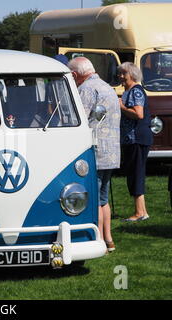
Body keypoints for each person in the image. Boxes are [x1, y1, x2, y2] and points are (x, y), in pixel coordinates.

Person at [68, 57, 121, 252]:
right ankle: (108, 239)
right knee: (103, 199)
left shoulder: (86, 89)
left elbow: (79, 119)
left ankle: (96, 238)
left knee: (93, 199)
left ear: (75, 75)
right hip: (112, 152)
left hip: (96, 151)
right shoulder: (107, 87)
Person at [118, 62, 153, 221]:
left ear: (132, 74)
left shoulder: (136, 91)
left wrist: (121, 107)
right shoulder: (129, 91)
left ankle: (139, 212)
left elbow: (138, 113)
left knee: (136, 173)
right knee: (134, 173)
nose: (120, 76)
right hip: (132, 139)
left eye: (123, 73)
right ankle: (142, 211)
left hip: (136, 138)